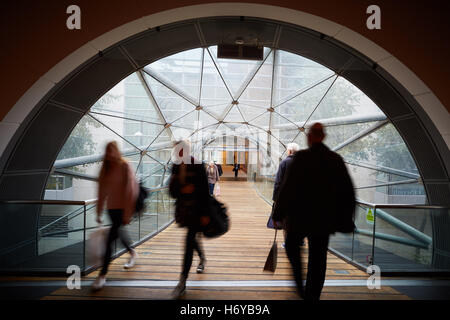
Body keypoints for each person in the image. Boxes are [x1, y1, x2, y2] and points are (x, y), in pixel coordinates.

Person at [272, 123, 355, 300]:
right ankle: (312, 294)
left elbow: (287, 188)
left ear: (309, 137)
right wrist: (346, 219)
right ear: (323, 136)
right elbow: (347, 191)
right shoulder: (335, 159)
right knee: (318, 258)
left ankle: (300, 287)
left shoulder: (301, 158)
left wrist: (277, 213)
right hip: (323, 220)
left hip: (298, 217)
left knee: (293, 248)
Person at [92, 141, 139, 290]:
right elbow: (101, 192)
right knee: (118, 232)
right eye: (107, 151)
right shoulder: (105, 169)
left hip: (122, 208)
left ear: (116, 151)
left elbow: (131, 191)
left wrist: (127, 213)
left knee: (109, 240)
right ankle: (132, 252)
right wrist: (99, 212)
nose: (109, 153)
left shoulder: (125, 166)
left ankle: (102, 275)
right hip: (111, 209)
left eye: (111, 150)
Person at [169, 140, 209, 298]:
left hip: (197, 211)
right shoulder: (176, 166)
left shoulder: (198, 165)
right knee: (192, 240)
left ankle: (182, 280)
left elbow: (205, 191)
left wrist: (205, 213)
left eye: (179, 150)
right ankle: (202, 258)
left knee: (188, 241)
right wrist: (182, 189)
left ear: (185, 150)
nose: (177, 153)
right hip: (184, 211)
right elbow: (171, 191)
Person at [272, 143, 300, 249]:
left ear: (289, 151)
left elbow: (278, 182)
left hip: (287, 198)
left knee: (287, 221)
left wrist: (275, 198)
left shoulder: (285, 162)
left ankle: (288, 243)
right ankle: (299, 241)